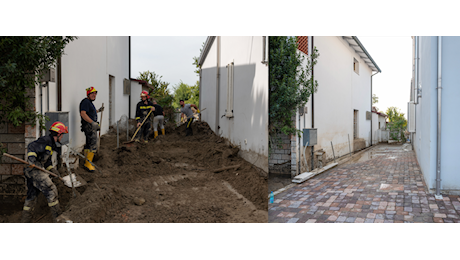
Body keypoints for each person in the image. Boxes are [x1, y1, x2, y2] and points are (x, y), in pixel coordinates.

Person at [21, 121, 69, 223]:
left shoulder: (51, 145)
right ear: (59, 134)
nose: (62, 137)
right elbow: (31, 146)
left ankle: (25, 220)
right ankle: (59, 219)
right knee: (51, 190)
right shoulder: (46, 140)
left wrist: (53, 170)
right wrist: (32, 160)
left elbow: (47, 163)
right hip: (33, 169)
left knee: (32, 196)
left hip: (33, 170)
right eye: (62, 135)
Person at [80, 86, 104, 172]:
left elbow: (90, 112)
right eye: (92, 93)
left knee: (89, 144)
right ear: (88, 94)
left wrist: (98, 110)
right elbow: (83, 114)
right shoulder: (85, 102)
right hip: (89, 127)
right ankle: (88, 164)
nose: (94, 95)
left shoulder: (89, 103)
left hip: (90, 126)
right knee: (93, 144)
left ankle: (87, 161)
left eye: (95, 93)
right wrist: (92, 123)